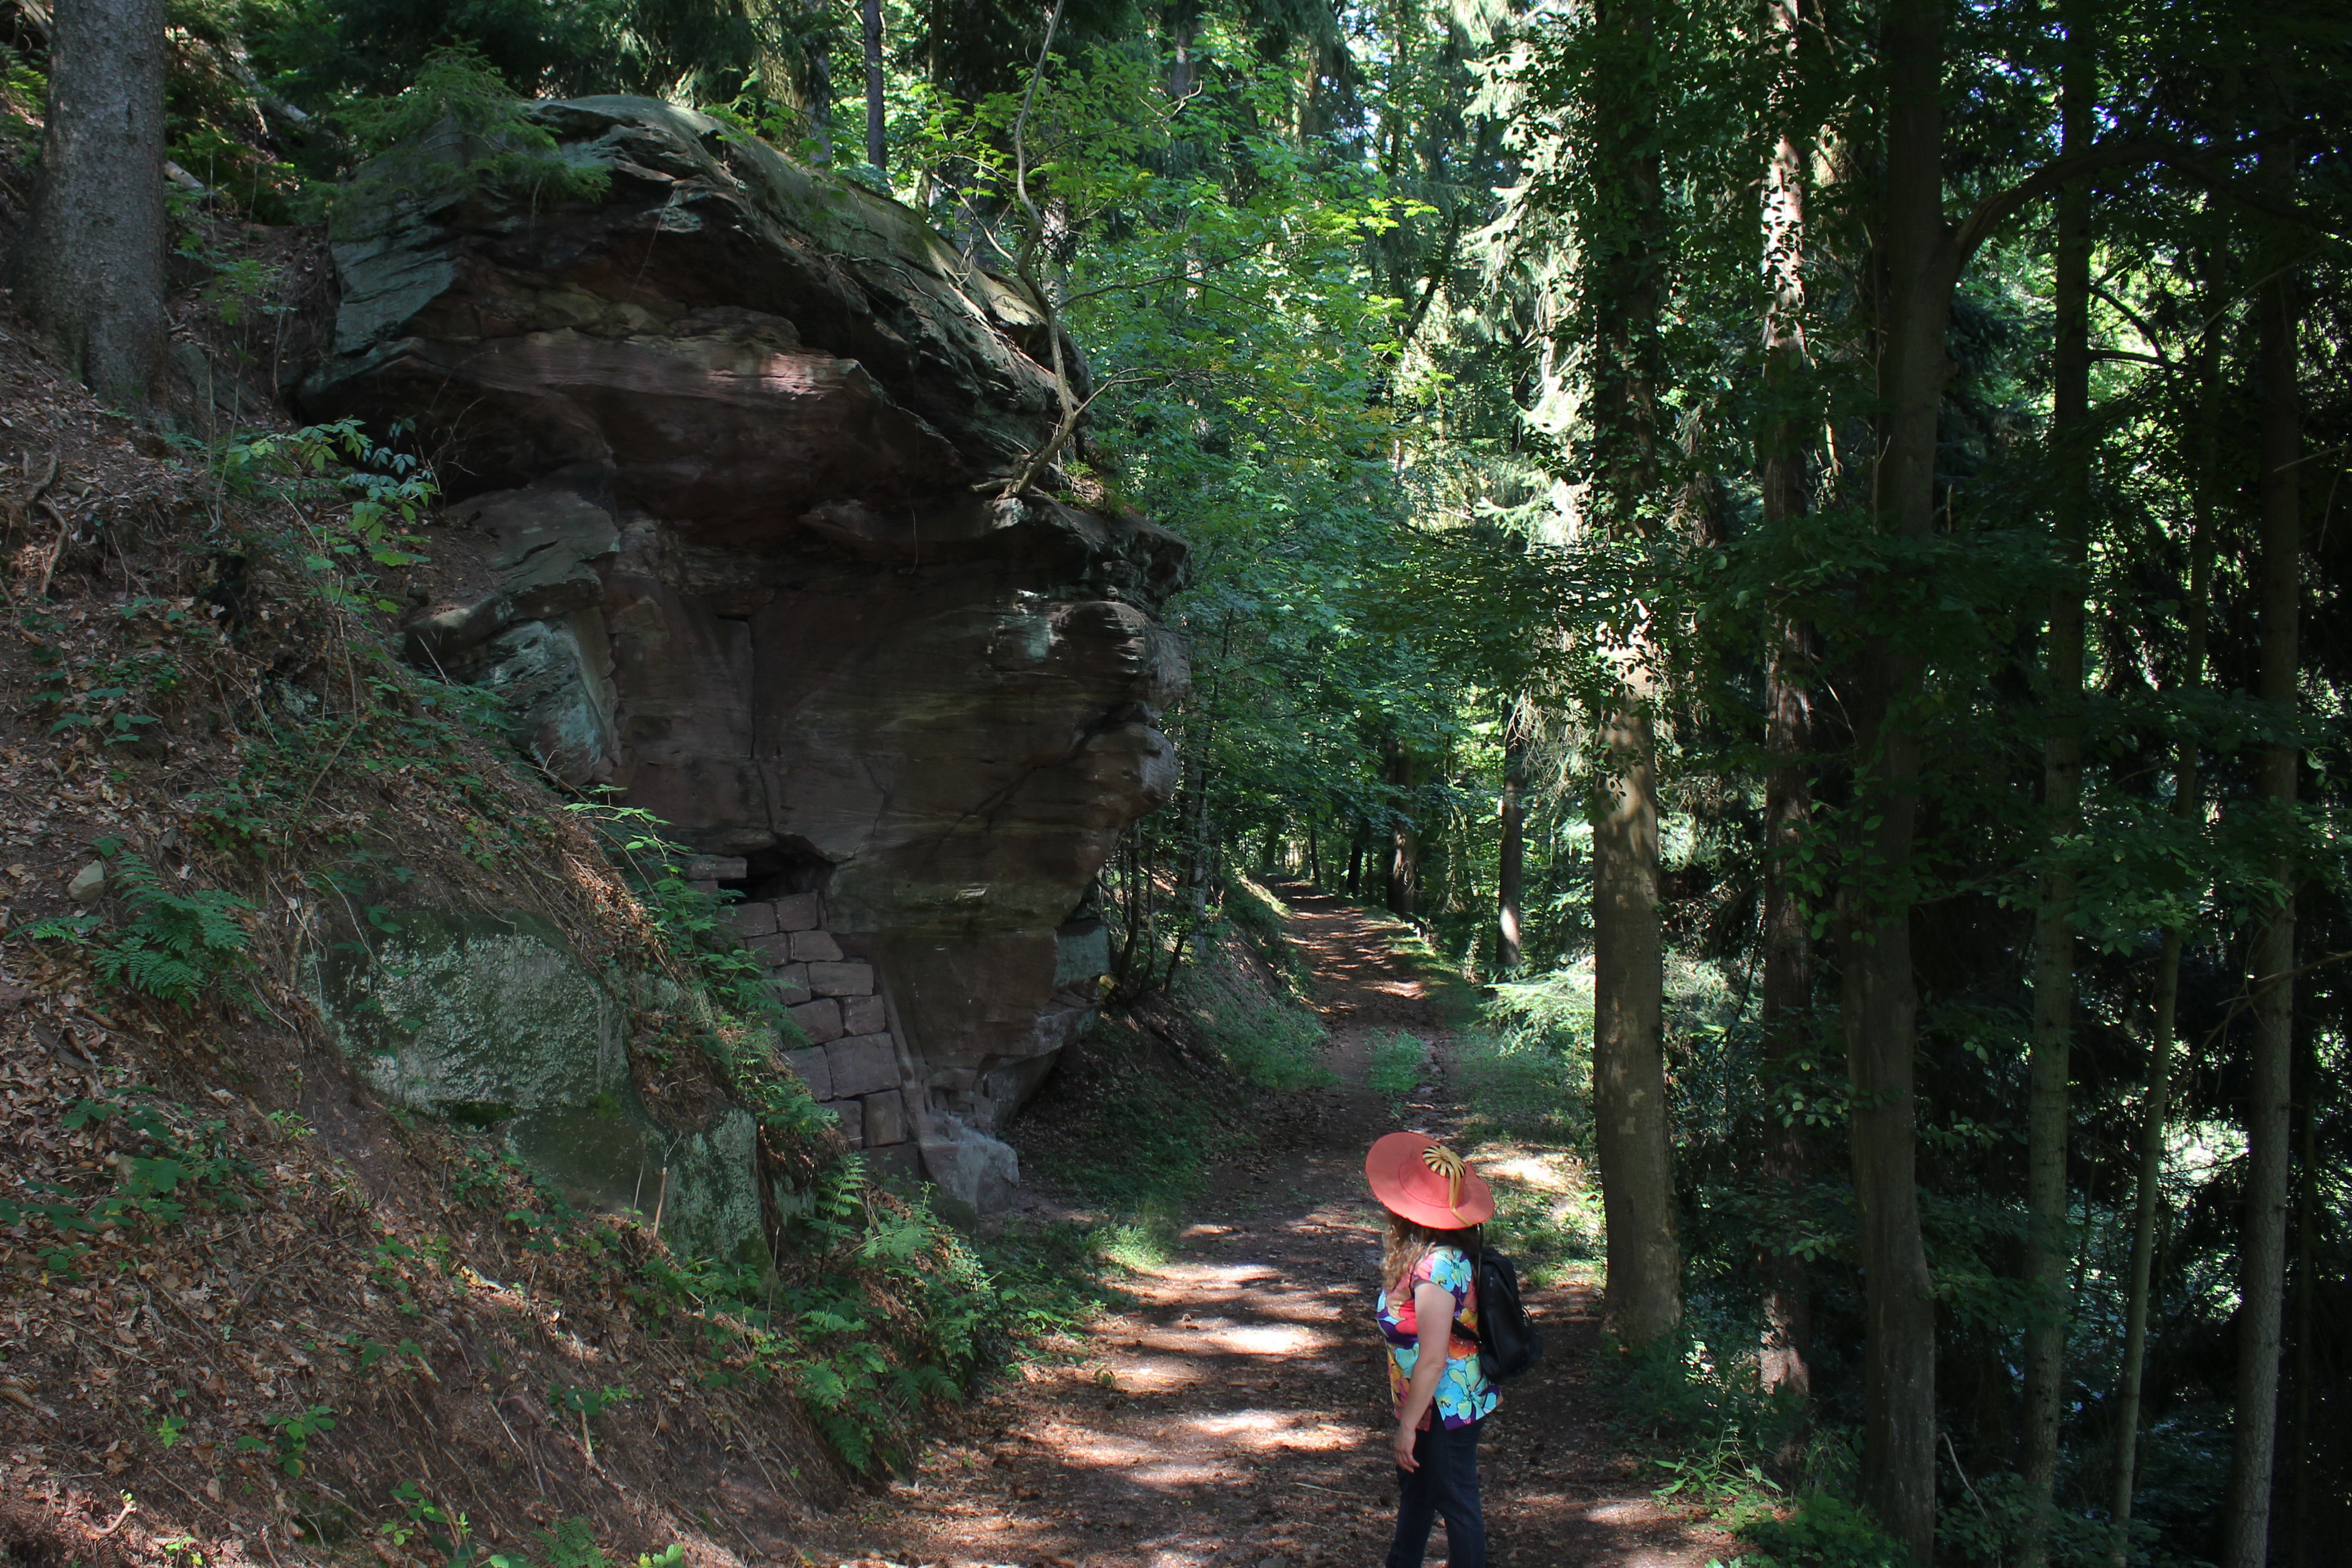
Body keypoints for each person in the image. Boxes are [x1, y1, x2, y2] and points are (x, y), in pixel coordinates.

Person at [1366, 1130, 1498, 1568]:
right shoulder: (1427, 1258)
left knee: (1456, 1501)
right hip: (1430, 1402)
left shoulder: (1438, 1266)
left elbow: (1435, 1357)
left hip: (1445, 1404)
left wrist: (1407, 1426)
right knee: (1418, 1492)